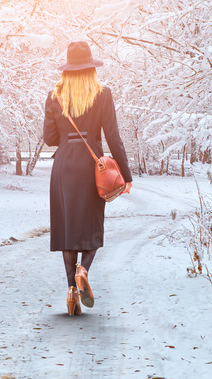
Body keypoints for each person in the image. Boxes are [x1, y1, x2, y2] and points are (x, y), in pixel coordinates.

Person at [43, 41, 133, 316]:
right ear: (91, 68)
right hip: (92, 165)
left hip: (63, 167)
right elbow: (113, 137)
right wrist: (126, 176)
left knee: (68, 228)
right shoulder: (103, 94)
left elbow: (49, 139)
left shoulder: (54, 95)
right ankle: (84, 270)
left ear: (67, 70)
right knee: (91, 226)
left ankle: (71, 292)